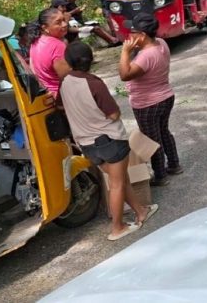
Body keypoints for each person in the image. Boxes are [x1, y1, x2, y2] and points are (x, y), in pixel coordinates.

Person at [59, 41, 156, 240]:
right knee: (117, 183)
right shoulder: (94, 83)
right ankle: (117, 227)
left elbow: (61, 106)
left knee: (120, 179)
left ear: (68, 61)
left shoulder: (65, 82)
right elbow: (113, 114)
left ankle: (140, 211)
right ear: (91, 60)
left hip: (87, 143)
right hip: (109, 140)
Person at [118, 13, 181, 186]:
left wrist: (125, 52)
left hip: (147, 103)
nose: (129, 36)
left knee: (151, 140)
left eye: (133, 33)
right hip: (165, 96)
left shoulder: (146, 56)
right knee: (163, 131)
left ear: (142, 35)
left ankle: (160, 176)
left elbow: (125, 74)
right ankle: (174, 164)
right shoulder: (161, 43)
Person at [27, 7, 71, 95]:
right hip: (62, 96)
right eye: (58, 22)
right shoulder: (57, 46)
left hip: (48, 95)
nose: (64, 24)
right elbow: (68, 79)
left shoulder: (35, 42)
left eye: (64, 20)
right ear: (45, 28)